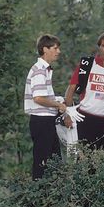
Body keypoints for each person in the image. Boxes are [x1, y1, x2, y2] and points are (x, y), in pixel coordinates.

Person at [24, 34, 69, 179]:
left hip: (47, 121)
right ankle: (37, 198)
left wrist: (60, 100)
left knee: (54, 161)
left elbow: (44, 96)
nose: (58, 51)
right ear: (45, 49)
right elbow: (38, 98)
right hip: (41, 121)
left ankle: (50, 198)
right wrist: (58, 105)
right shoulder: (39, 70)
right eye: (55, 48)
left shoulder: (45, 70)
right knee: (42, 164)